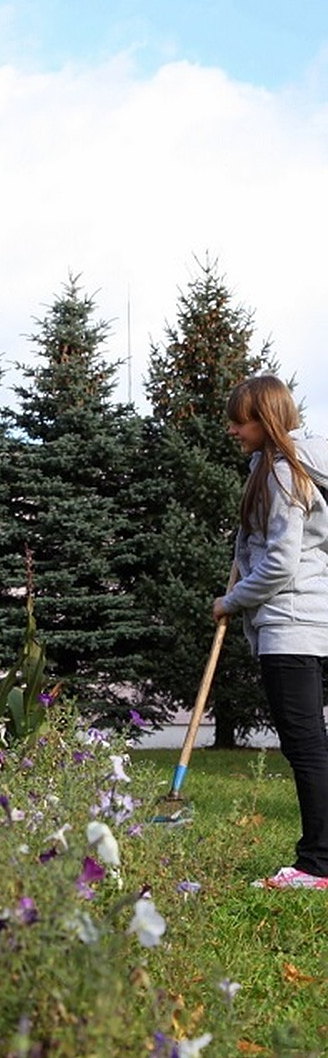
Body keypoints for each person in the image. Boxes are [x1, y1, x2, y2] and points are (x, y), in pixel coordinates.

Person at [213, 374, 328, 890]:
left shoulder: (284, 474)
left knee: (306, 747)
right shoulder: (280, 467)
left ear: (267, 420)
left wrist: (232, 601)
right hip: (309, 619)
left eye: (242, 420)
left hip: (292, 624)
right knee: (313, 745)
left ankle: (317, 866)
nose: (233, 429)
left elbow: (281, 564)